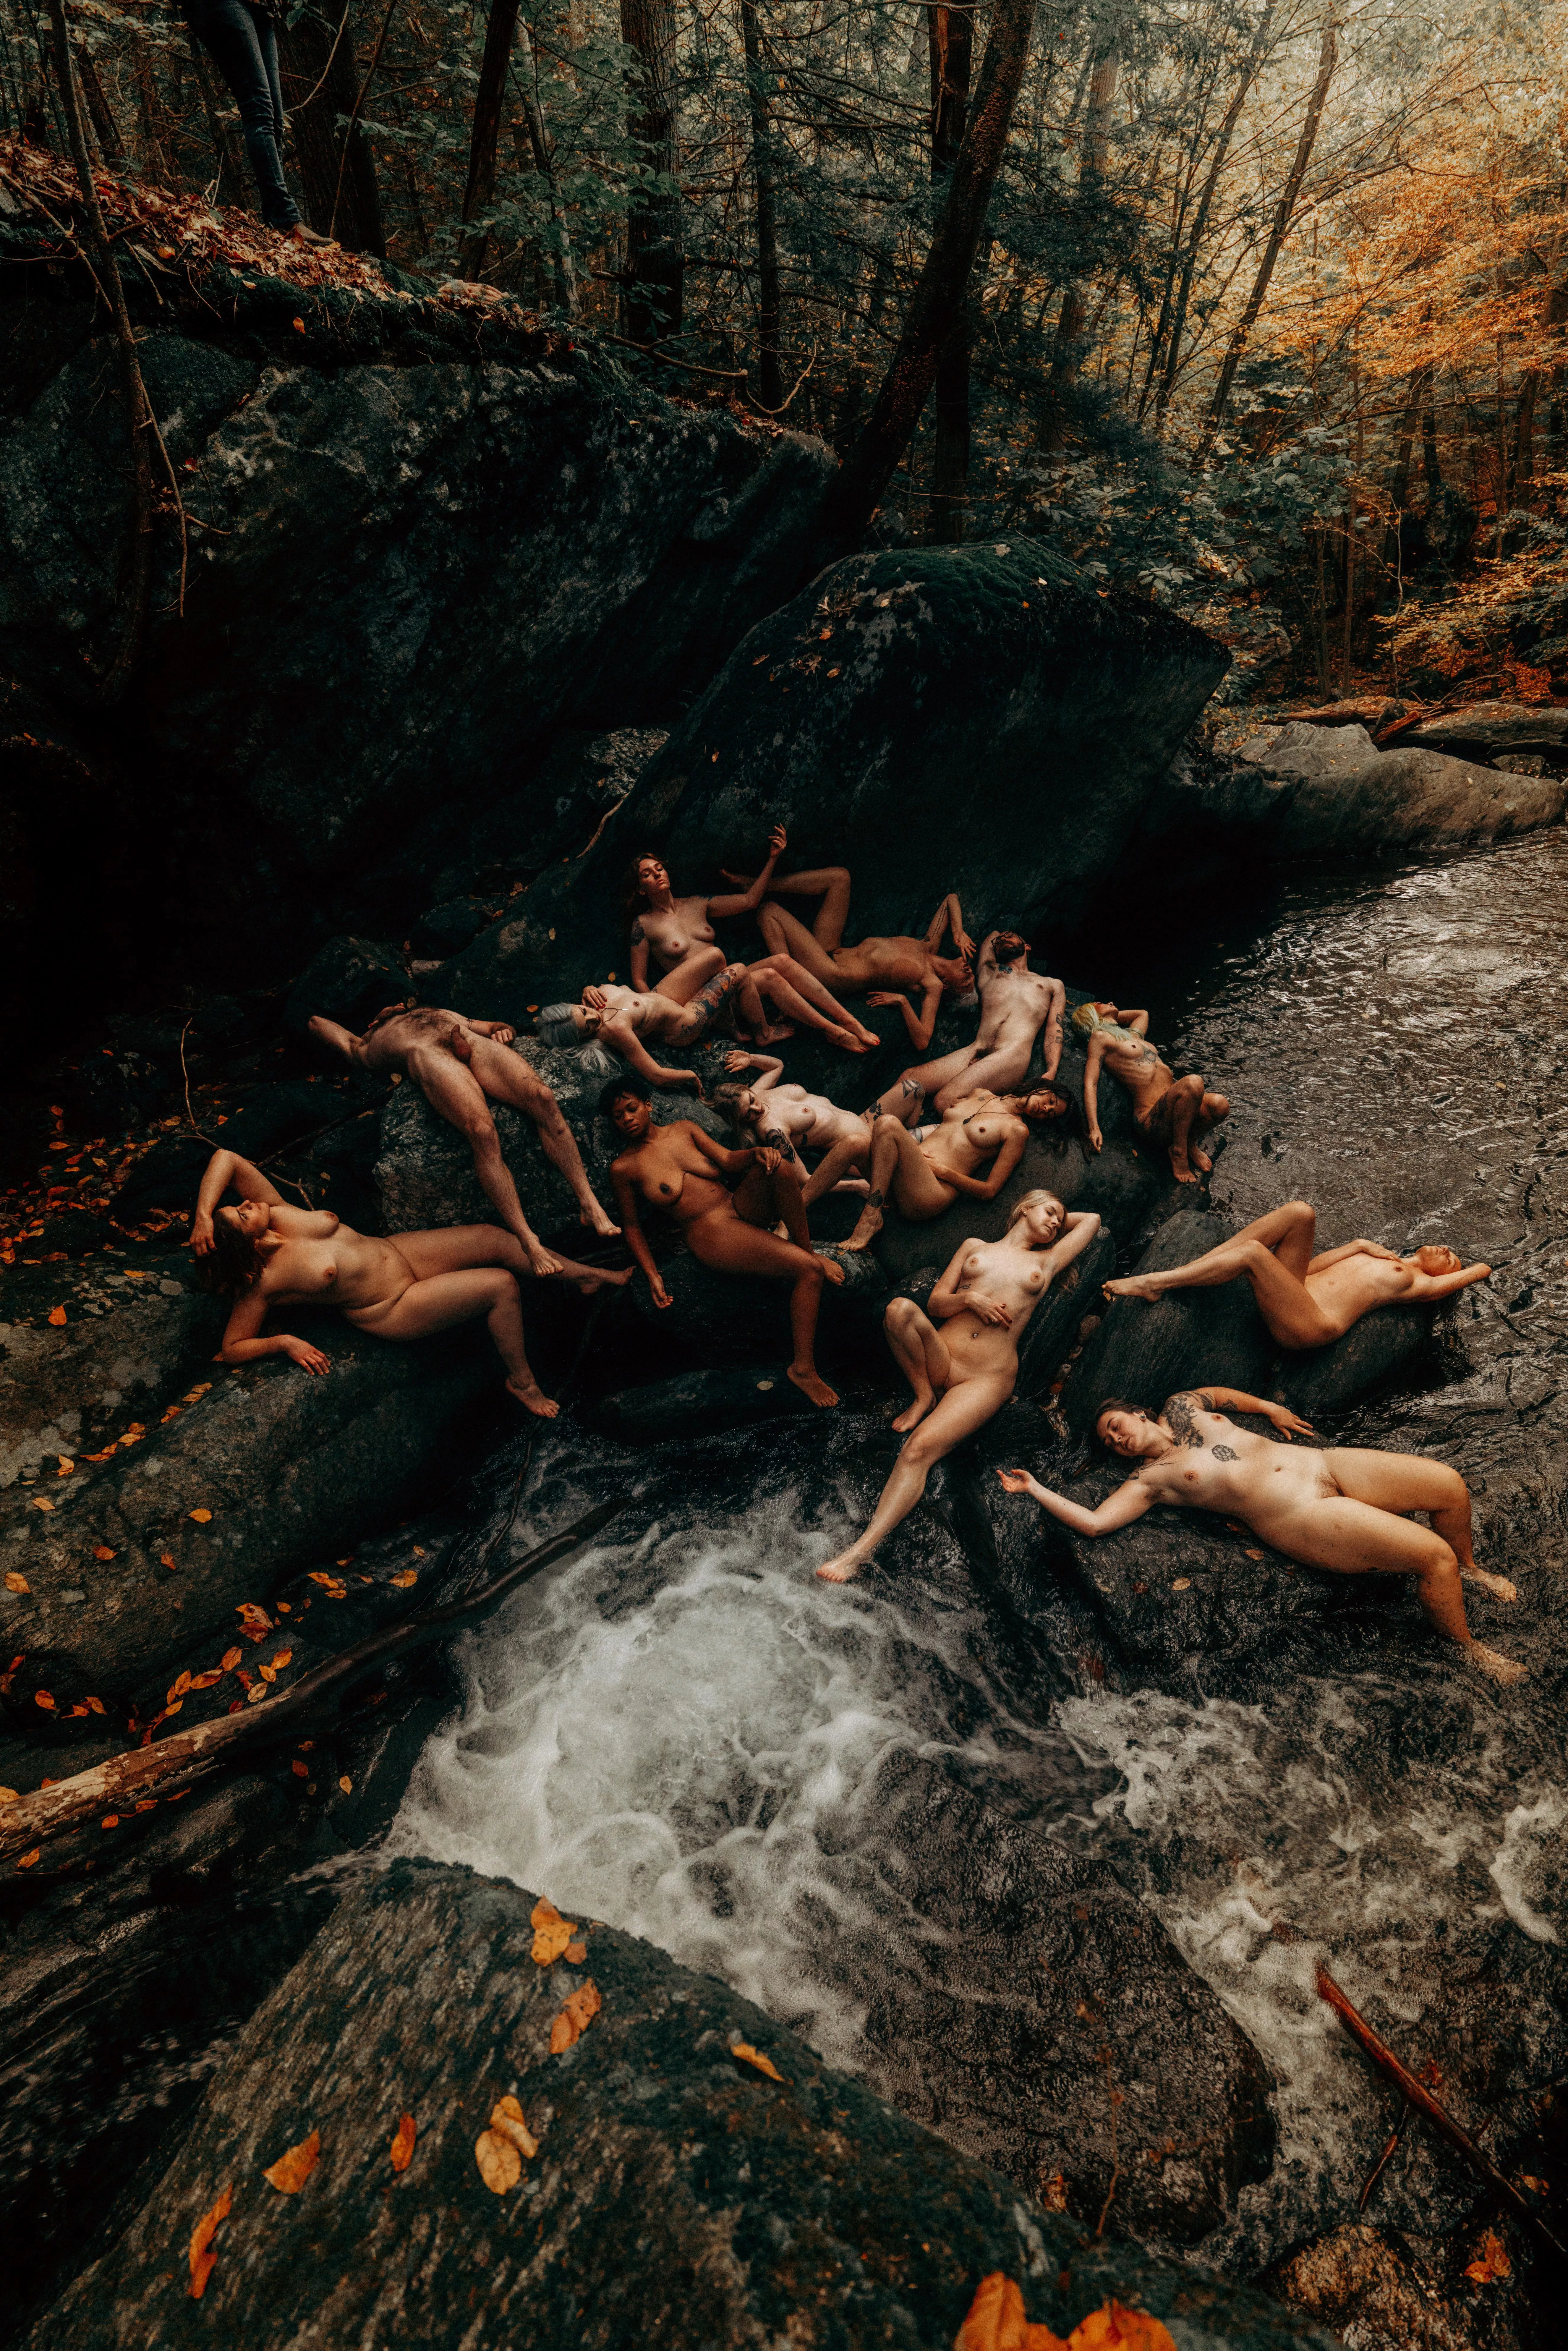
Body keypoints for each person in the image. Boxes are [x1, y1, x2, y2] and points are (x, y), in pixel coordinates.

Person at [997, 1388, 1523, 1684]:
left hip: (1323, 1462)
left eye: (1115, 1425)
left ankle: (1472, 1568)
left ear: (1138, 1412)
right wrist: (1036, 1488)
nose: (1115, 1438)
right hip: (1299, 1512)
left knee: (1449, 1486)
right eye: (1109, 1443)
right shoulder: (1149, 1479)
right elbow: (1094, 1524)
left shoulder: (1181, 1409)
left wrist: (1267, 1409)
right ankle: (1469, 1649)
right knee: (1431, 1558)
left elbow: (1213, 1392)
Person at [189, 1150, 626, 1419]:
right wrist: (284, 1342)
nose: (247, 1203)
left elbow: (226, 1158)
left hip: (400, 1253)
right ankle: (524, 1384)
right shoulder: (263, 1283)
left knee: (495, 1238)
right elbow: (233, 1347)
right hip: (391, 1304)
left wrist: (206, 1215)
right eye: (241, 1215)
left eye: (240, 1205)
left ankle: (585, 1276)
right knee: (501, 1285)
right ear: (244, 1246)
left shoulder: (277, 1210)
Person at [816, 1194, 1102, 1583]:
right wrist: (971, 1299)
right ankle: (923, 1396)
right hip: (942, 1357)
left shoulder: (1046, 1262)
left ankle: (858, 1553)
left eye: (1059, 1220)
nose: (1056, 1223)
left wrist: (1060, 1216)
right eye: (1049, 1212)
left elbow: (1093, 1220)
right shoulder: (974, 1248)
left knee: (918, 1449)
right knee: (900, 1310)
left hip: (987, 1377)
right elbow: (934, 1305)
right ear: (1025, 1208)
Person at [308, 1003, 618, 1276]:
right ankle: (528, 1239)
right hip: (428, 1055)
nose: (391, 1006)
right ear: (373, 1021)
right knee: (482, 1132)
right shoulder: (369, 1045)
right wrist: (370, 1028)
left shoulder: (436, 1010)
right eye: (383, 1009)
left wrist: (502, 1031)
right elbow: (317, 1023)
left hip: (469, 1040)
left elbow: (493, 1026)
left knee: (543, 1097)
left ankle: (588, 1203)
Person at [604, 1074, 845, 1407]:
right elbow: (631, 1225)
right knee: (808, 1273)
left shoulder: (684, 1129)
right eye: (619, 1116)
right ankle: (803, 1369)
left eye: (632, 1109)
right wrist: (652, 1274)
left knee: (782, 1169)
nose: (627, 1119)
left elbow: (729, 1159)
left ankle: (809, 1248)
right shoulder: (624, 1168)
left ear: (648, 1105)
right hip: (710, 1232)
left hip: (736, 1204)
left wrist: (758, 1153)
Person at [1101, 1200, 1491, 1346]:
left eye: (1452, 1258)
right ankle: (1191, 1270)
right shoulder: (1384, 1258)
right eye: (1449, 1248)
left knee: (1255, 1254)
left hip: (1311, 1325)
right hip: (1299, 1294)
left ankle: (1158, 1283)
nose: (1447, 1251)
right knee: (1300, 1213)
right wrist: (1356, 1244)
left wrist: (1476, 1269)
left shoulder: (1421, 1285)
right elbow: (1309, 1271)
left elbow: (1476, 1273)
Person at [626, 838, 879, 1050]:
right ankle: (831, 1030)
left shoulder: (697, 903)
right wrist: (656, 1017)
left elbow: (750, 901)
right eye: (647, 874)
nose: (657, 874)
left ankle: (848, 1022)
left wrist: (773, 859)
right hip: (701, 1001)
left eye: (659, 868)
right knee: (733, 961)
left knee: (780, 964)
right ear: (640, 890)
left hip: (734, 985)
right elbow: (639, 980)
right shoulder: (644, 924)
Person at [720, 861, 976, 1052]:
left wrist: (903, 1002)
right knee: (839, 879)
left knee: (771, 912)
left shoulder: (932, 984)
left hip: (833, 975)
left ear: (948, 986)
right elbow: (950, 900)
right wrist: (959, 931)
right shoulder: (930, 944)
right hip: (831, 950)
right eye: (972, 976)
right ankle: (757, 884)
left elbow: (923, 1041)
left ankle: (788, 987)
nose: (970, 974)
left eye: (967, 984)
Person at [180, 0, 335, 246]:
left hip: (261, 9)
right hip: (223, 5)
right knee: (258, 109)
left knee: (274, 119)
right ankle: (287, 220)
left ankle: (277, 223)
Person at [842, 1084, 1069, 1251]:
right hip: (904, 1180)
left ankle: (871, 1215)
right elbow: (947, 1109)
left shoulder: (1018, 1131)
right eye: (1050, 1100)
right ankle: (805, 1200)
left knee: (888, 1122)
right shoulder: (981, 1094)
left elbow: (989, 1191)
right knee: (854, 1143)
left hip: (932, 1193)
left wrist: (943, 1171)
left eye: (1050, 1113)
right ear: (1042, 1087)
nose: (1046, 1109)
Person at [880, 929, 1066, 1113]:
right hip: (977, 1047)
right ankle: (872, 1125)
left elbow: (1055, 1029)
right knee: (909, 1079)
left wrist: (1051, 1071)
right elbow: (993, 934)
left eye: (1010, 936)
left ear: (1027, 947)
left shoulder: (1052, 984)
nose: (1003, 939)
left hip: (1012, 1053)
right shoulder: (990, 971)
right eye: (1000, 942)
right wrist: (997, 937)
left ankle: (1006, 1115)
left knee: (944, 1102)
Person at [1075, 1001, 1228, 1186]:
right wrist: (1094, 1128)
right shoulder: (1100, 1038)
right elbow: (1091, 1083)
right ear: (1091, 1015)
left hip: (1178, 1111)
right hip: (1151, 1120)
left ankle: (1190, 1143)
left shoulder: (1132, 1035)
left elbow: (1142, 1013)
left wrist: (1112, 1016)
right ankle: (1178, 1152)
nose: (1110, 1002)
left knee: (1220, 1104)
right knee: (1193, 1082)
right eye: (1100, 1004)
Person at [535, 966, 749, 1090]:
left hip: (659, 998)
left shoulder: (589, 1000)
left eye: (583, 1011)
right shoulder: (614, 1029)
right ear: (584, 1038)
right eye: (588, 1029)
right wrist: (690, 1076)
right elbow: (655, 1075)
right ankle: (764, 1032)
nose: (593, 1017)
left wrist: (587, 988)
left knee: (715, 957)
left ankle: (728, 1015)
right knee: (738, 970)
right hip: (684, 1023)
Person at [710, 1050, 879, 1203]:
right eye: (748, 1114)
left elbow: (777, 1066)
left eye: (752, 1100)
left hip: (863, 1121)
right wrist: (856, 1186)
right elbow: (804, 1180)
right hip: (861, 1152)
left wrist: (751, 1058)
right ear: (741, 1121)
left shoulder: (758, 1091)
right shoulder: (773, 1131)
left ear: (747, 1090)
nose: (757, 1109)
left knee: (906, 1085)